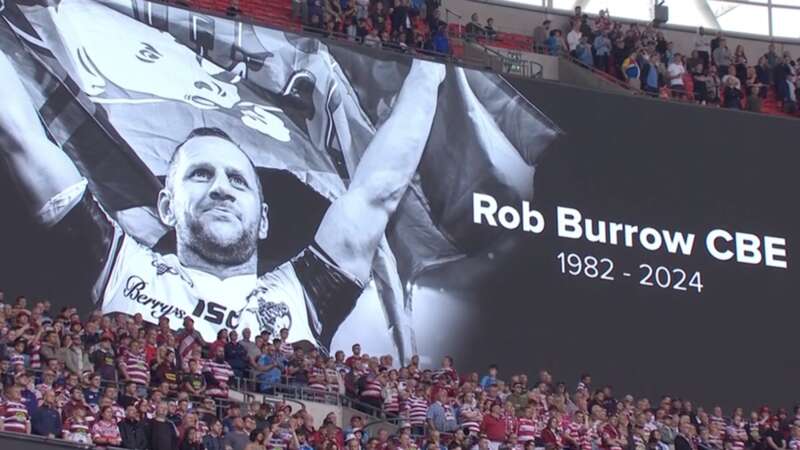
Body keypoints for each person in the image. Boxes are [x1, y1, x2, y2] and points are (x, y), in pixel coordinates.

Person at [0, 50, 445, 351]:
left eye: (238, 179)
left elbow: (379, 189)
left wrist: (429, 71)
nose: (221, 187)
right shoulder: (118, 266)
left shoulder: (302, 294)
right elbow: (22, 137)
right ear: (167, 207)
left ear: (264, 219)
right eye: (200, 174)